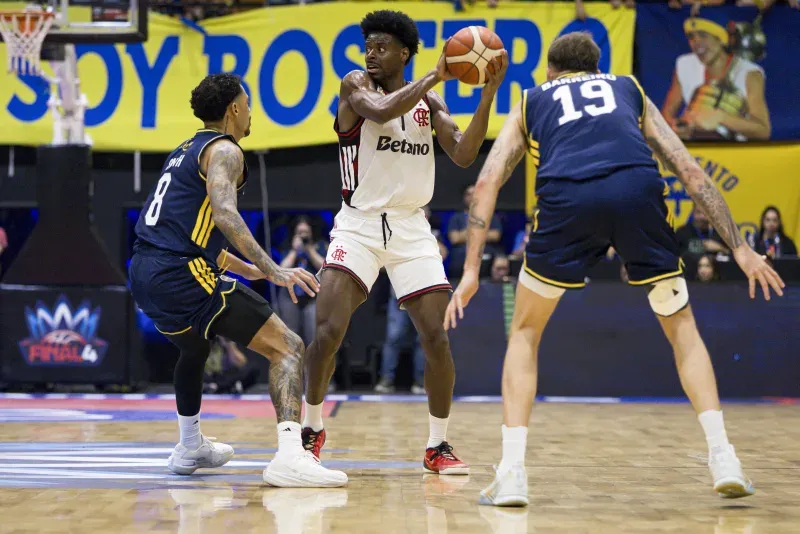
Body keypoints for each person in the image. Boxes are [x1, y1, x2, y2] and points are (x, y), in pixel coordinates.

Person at [444, 32, 784, 506]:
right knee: (682, 328)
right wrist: (742, 249)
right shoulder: (628, 87)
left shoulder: (532, 99)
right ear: (596, 67)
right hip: (636, 192)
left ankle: (513, 473)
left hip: (568, 197)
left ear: (550, 70)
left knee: (524, 332)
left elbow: (485, 182)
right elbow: (688, 169)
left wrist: (472, 271)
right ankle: (724, 457)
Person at [302, 10, 508, 475]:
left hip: (412, 228)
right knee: (328, 331)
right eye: (368, 46)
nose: (371, 54)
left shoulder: (429, 104)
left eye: (381, 47)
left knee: (435, 337)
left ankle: (438, 445)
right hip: (358, 223)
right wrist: (437, 74)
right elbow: (379, 110)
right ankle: (311, 427)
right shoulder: (354, 85)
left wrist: (488, 94)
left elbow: (463, 153)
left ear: (405, 53)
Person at [128, 73, 346, 488]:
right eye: (247, 103)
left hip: (144, 272)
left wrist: (256, 272)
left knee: (192, 348)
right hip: (178, 272)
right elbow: (226, 215)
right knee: (288, 346)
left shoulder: (183, 150)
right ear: (233, 109)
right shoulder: (226, 150)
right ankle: (289, 455)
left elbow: (201, 236)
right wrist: (273, 269)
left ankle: (189, 445)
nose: (250, 112)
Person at [661, 15, 770, 141]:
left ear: (721, 39)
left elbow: (763, 130)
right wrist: (677, 128)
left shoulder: (750, 74)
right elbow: (665, 117)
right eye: (691, 37)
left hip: (734, 151)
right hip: (695, 149)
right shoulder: (685, 64)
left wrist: (722, 118)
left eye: (703, 35)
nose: (696, 43)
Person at [278, 216, 328, 346]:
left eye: (306, 232)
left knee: (313, 336)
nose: (303, 236)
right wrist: (295, 251)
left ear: (311, 233)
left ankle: (311, 365)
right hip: (290, 297)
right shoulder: (288, 246)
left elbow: (324, 268)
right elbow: (281, 270)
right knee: (290, 336)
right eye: (300, 233)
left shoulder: (320, 246)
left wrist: (309, 249)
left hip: (312, 297)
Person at [448, 184, 504, 278]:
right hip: (462, 255)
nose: (471, 197)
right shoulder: (456, 217)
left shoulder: (490, 216)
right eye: (468, 194)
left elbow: (495, 235)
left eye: (474, 193)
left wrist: (467, 234)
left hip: (486, 254)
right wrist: (481, 232)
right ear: (464, 197)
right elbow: (455, 238)